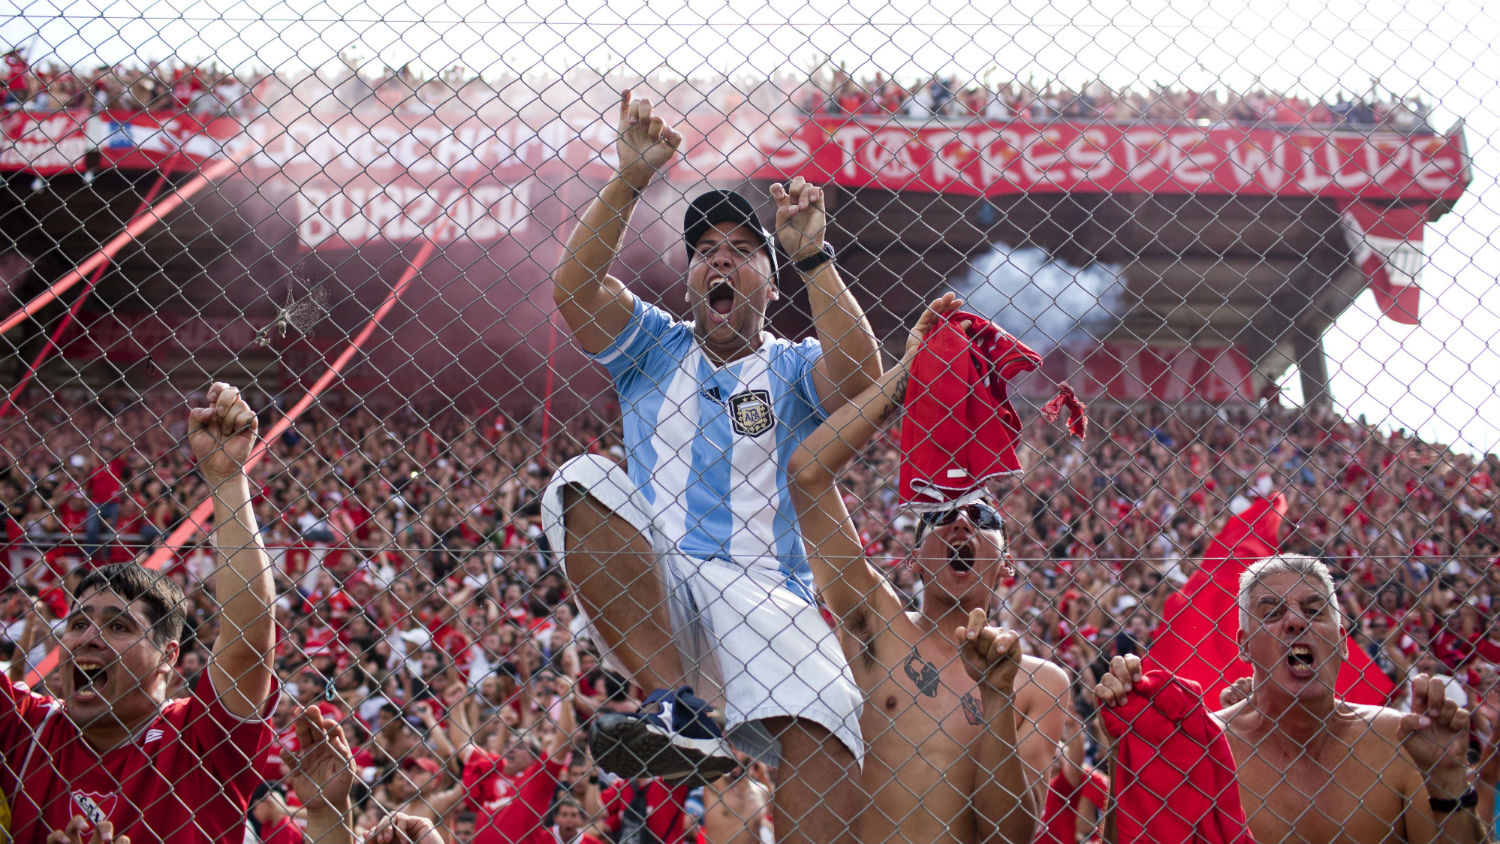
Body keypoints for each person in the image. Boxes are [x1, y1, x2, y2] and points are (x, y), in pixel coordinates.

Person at [545, 89, 879, 839]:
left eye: (741, 248)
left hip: (770, 597)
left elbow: (862, 379)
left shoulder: (791, 368)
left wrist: (815, 258)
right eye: (704, 250)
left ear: (768, 278)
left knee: (829, 718)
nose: (719, 256)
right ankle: (674, 709)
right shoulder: (655, 348)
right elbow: (573, 292)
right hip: (665, 587)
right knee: (581, 482)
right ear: (692, 278)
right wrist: (628, 181)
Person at [785, 293, 1048, 844]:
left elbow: (1008, 837)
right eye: (941, 515)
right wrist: (906, 376)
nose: (960, 525)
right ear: (914, 559)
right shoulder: (876, 628)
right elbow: (808, 475)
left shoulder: (1039, 682)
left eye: (980, 515)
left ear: (1005, 564)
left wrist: (996, 697)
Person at [2, 383, 277, 844]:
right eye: (77, 623)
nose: (88, 636)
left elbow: (248, 644)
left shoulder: (199, 740)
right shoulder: (26, 727)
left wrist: (227, 480)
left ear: (169, 655)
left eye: (118, 625)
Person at [1096, 555, 1485, 844]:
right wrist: (1126, 756)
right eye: (1273, 612)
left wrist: (1446, 779)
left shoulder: (1400, 742)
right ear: (1244, 646)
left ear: (1343, 642)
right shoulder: (1203, 745)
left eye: (1314, 611)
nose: (1296, 621)